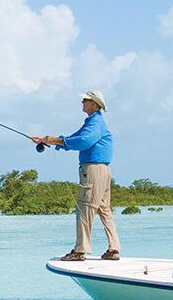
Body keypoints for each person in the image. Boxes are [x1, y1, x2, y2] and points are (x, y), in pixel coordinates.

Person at [32, 90, 120, 261]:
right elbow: (75, 137)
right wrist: (47, 140)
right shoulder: (93, 122)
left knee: (84, 208)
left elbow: (83, 141)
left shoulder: (95, 123)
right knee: (104, 209)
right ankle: (114, 248)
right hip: (102, 170)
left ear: (94, 104)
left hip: (94, 170)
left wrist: (55, 140)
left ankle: (80, 251)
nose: (82, 102)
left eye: (85, 100)